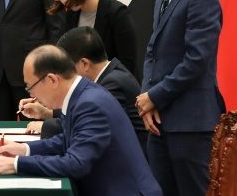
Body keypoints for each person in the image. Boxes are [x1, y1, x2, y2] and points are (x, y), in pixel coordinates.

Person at [0, 46, 165, 196]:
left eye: (31, 87)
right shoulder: (81, 95)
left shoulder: (89, 103)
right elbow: (68, 139)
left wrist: (16, 164)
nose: (31, 95)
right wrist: (24, 149)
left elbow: (76, 163)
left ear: (52, 80)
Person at [135, 0, 225, 196]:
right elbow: (152, 51)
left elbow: (196, 62)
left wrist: (155, 96)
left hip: (190, 122)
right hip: (159, 119)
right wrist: (148, 100)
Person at [20, 27, 148, 155]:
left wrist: (45, 126)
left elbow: (86, 126)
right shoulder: (111, 76)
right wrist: (47, 113)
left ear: (84, 64)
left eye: (66, 67)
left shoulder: (113, 84)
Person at [47, 0, 139, 78]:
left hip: (114, 86)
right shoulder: (71, 15)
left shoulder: (117, 14)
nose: (63, 1)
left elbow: (128, 66)